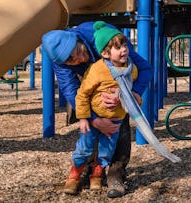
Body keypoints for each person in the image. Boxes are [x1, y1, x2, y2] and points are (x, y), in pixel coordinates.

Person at [42, 21, 152, 197]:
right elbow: (71, 90)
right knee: (87, 132)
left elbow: (144, 68)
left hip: (115, 92)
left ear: (78, 40)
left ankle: (116, 174)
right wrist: (93, 118)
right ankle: (87, 169)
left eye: (78, 52)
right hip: (88, 91)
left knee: (117, 125)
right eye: (71, 61)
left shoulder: (108, 38)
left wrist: (134, 94)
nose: (79, 60)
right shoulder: (59, 60)